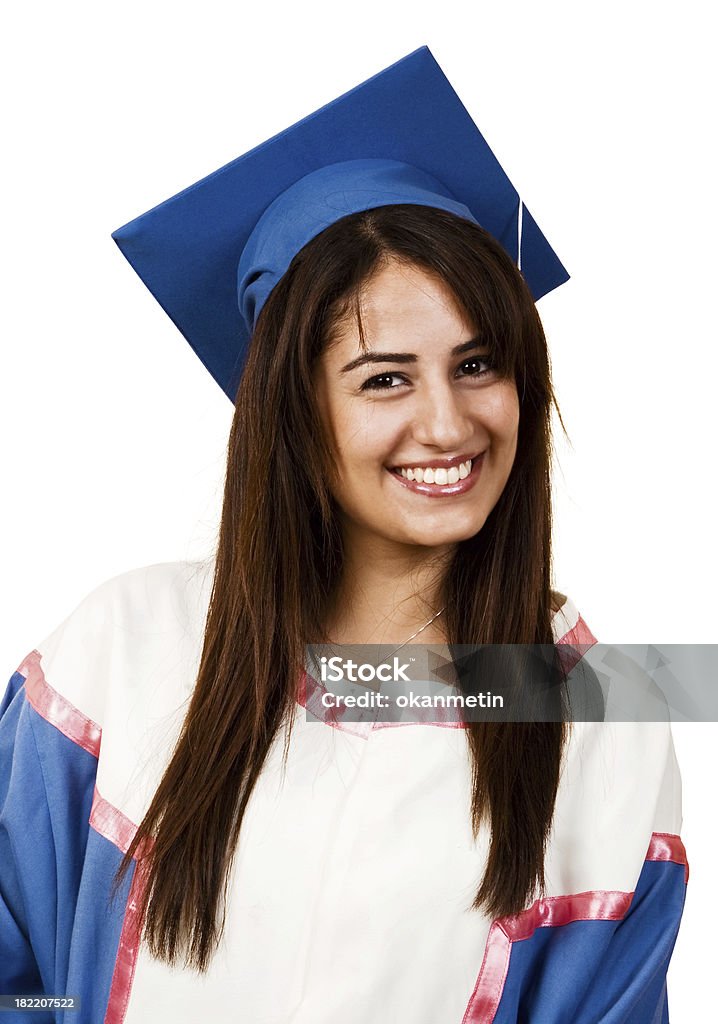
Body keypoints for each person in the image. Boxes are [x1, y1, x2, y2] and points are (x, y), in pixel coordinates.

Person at [0, 47, 687, 1024]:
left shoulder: (598, 716)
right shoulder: (126, 648)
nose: (449, 425)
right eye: (385, 377)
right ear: (292, 410)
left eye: (478, 363)